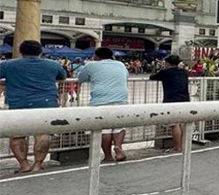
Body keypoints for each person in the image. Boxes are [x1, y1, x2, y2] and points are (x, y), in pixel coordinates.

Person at [0, 40, 66, 173]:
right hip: (46, 103)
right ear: (40, 51)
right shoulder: (53, 64)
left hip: (19, 103)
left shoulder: (8, 65)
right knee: (43, 134)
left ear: (21, 51)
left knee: (17, 135)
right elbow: (63, 77)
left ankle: (24, 164)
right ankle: (38, 164)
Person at [76, 47, 130, 162]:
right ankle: (118, 147)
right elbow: (126, 76)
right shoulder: (120, 64)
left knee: (104, 129)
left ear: (96, 56)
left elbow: (81, 78)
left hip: (100, 100)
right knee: (119, 126)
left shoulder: (91, 65)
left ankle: (108, 156)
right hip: (121, 99)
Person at [150, 55, 190, 153]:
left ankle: (178, 147)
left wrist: (157, 68)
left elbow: (152, 77)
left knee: (174, 124)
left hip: (171, 100)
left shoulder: (165, 72)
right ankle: (182, 145)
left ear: (168, 63)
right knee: (181, 123)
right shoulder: (184, 72)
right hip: (185, 99)